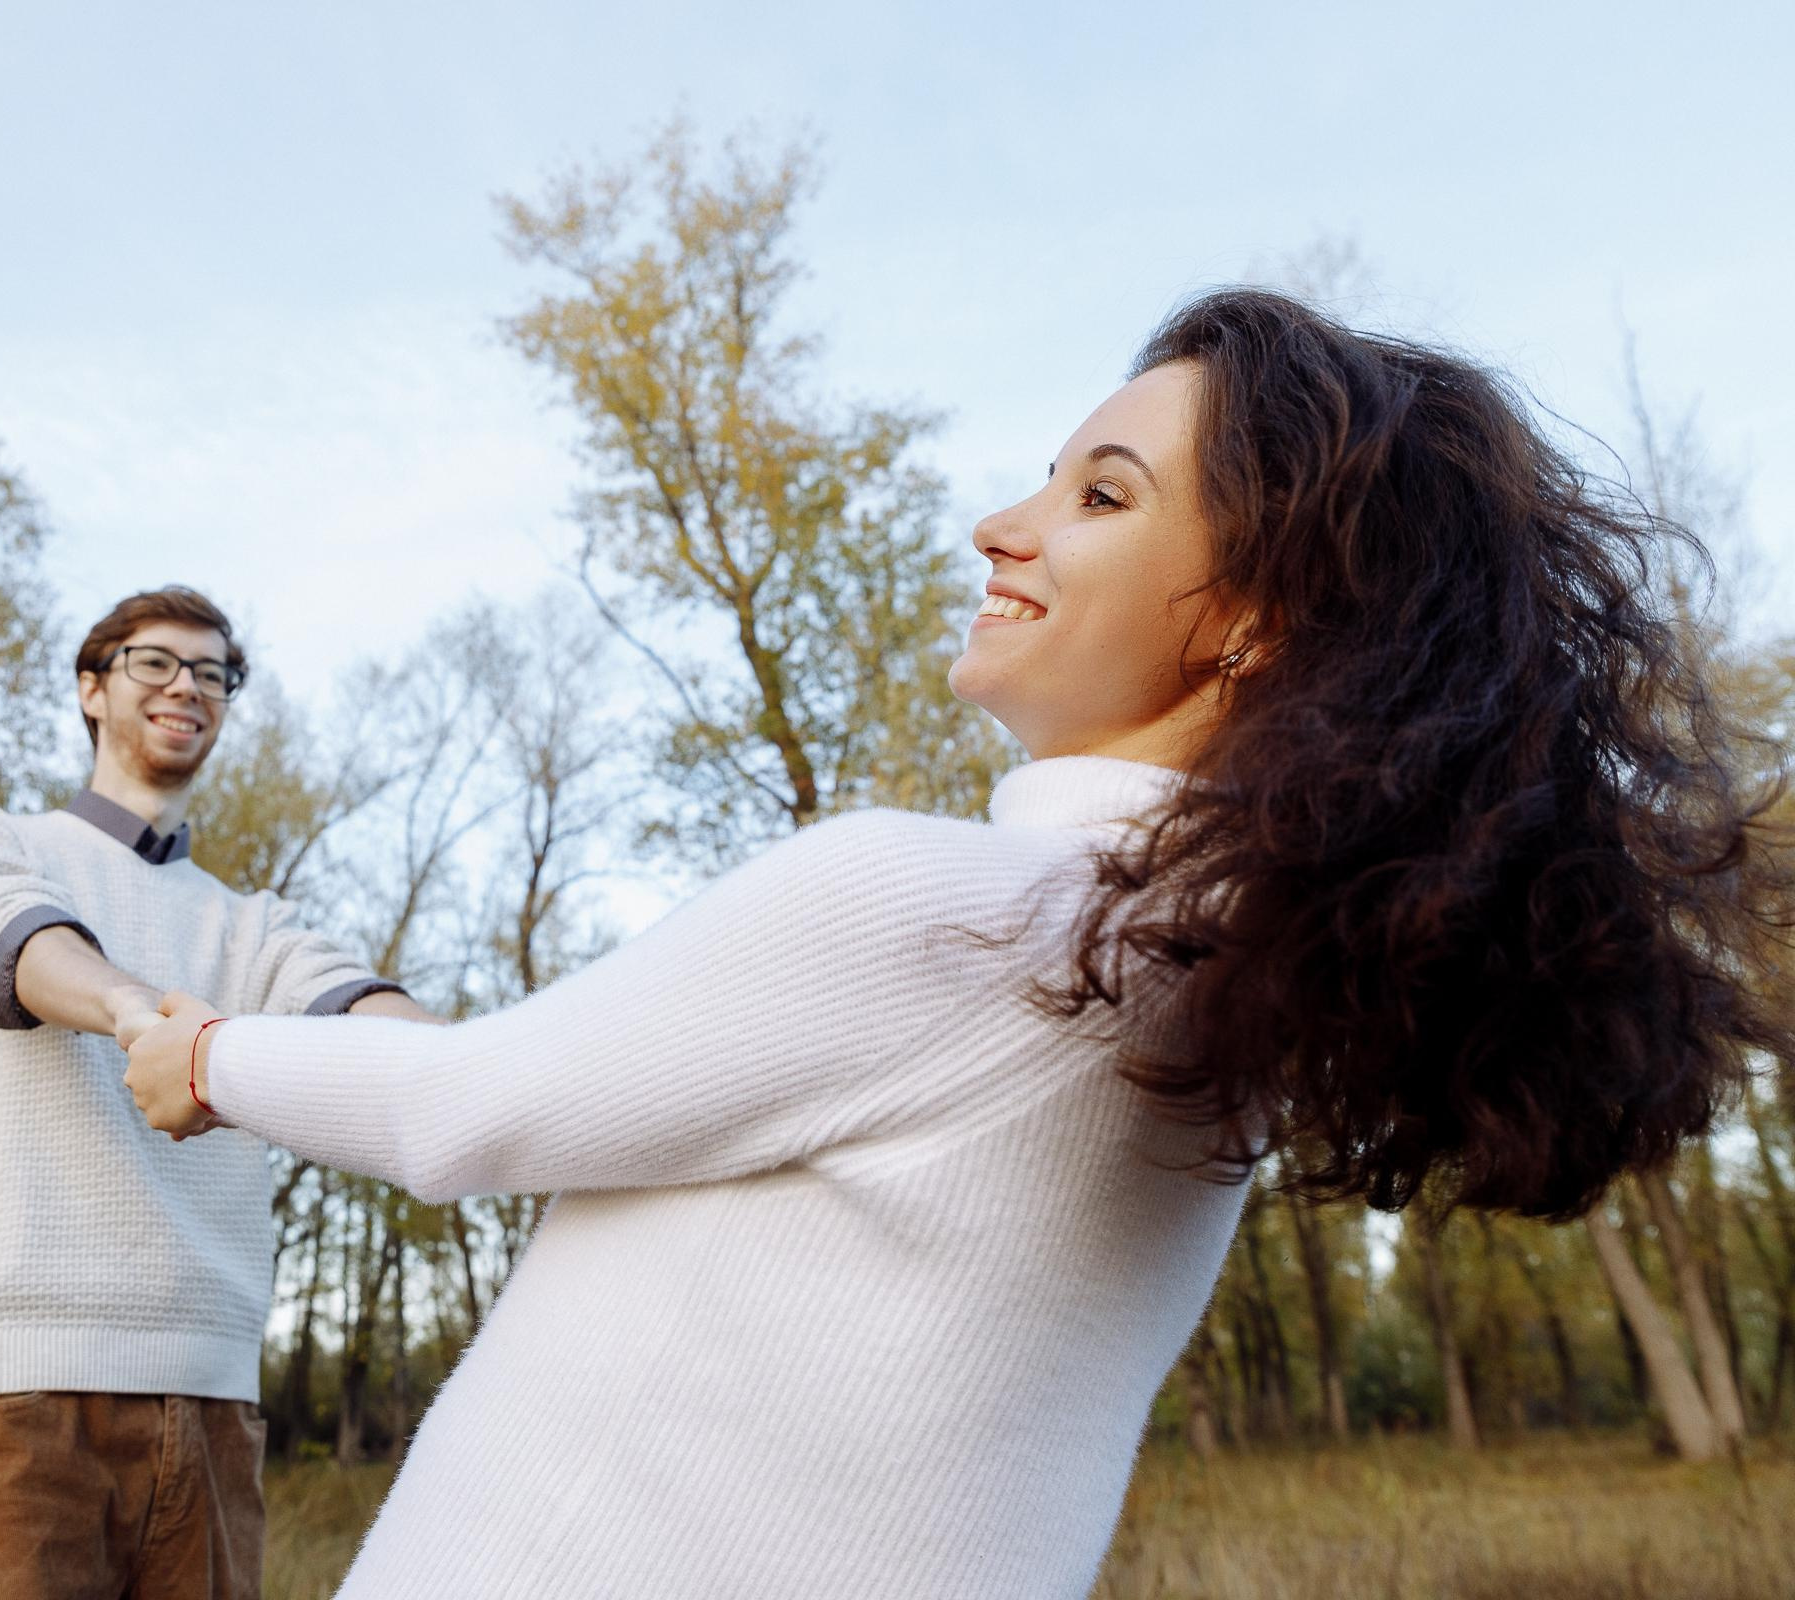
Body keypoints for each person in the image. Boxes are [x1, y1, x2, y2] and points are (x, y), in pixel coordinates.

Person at [124, 291, 1791, 1598]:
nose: (1004, 525)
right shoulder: (1209, 1000)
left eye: (1100, 493)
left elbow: (455, 1114)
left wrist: (205, 1057)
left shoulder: (957, 911)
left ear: (1251, 615)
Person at [0, 585, 442, 1600]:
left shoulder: (253, 925)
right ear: (93, 688)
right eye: (156, 661)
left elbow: (364, 1017)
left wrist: (477, 1076)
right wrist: (143, 1016)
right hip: (15, 1405)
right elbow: (5, 934)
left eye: (213, 672)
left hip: (213, 1414)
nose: (187, 684)